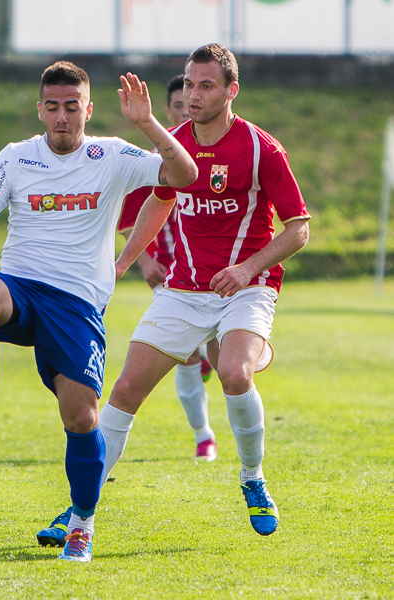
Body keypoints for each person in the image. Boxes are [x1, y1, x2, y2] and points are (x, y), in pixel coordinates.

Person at [40, 43, 310, 541]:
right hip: (183, 289)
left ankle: (253, 478)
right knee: (122, 392)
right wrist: (123, 262)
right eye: (189, 84)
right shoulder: (176, 144)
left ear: (232, 91)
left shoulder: (261, 148)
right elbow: (158, 205)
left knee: (233, 371)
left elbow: (298, 228)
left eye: (206, 85)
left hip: (247, 287)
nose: (194, 94)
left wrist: (247, 266)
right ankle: (80, 508)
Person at [0, 61, 197, 563]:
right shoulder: (14, 159)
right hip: (22, 288)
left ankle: (81, 523)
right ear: (40, 110)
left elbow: (184, 176)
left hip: (77, 305)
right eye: (52, 107)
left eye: (71, 107)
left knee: (81, 418)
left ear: (88, 110)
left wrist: (146, 122)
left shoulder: (113, 154)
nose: (62, 117)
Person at [119, 74, 220, 464]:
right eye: (179, 105)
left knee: (222, 357)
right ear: (166, 112)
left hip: (215, 274)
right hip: (170, 275)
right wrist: (144, 261)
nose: (187, 109)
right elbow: (129, 218)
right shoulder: (155, 163)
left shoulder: (217, 157)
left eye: (193, 101)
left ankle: (211, 358)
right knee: (189, 356)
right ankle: (203, 436)